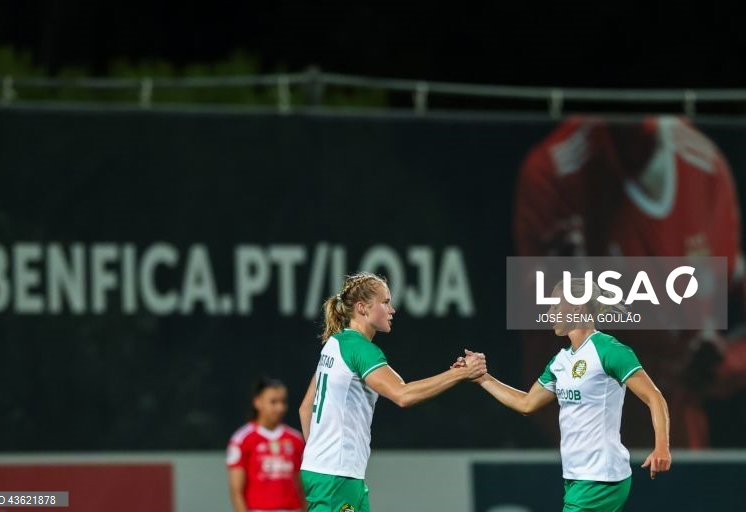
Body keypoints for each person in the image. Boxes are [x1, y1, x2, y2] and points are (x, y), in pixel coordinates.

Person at [514, 115, 746, 448]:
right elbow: (540, 324)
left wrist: (723, 363)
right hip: (578, 448)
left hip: (676, 446)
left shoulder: (706, 167)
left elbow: (728, 289)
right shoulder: (556, 171)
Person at [456, 279, 671, 512]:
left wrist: (661, 447)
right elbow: (526, 403)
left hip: (601, 478)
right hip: (575, 477)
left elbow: (654, 397)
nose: (549, 313)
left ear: (577, 308)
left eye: (556, 307)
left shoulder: (609, 350)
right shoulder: (561, 361)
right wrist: (481, 378)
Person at [298, 272, 486, 512]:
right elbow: (403, 395)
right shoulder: (362, 350)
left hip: (332, 472)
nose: (392, 309)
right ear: (362, 308)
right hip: (337, 477)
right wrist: (460, 375)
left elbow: (306, 408)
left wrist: (318, 456)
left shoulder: (335, 344)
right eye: (385, 302)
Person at [226, 377, 306, 512]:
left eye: (283, 402)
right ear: (257, 402)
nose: (280, 408)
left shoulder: (296, 439)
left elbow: (303, 486)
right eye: (273, 402)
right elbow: (236, 492)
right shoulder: (241, 439)